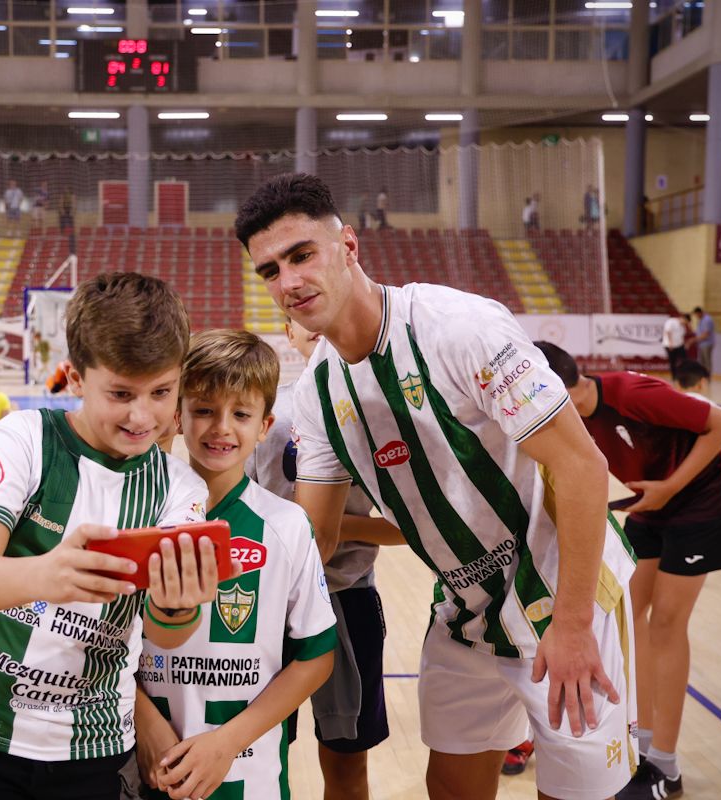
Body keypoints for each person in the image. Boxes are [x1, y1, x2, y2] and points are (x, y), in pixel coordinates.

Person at [236, 173, 637, 800]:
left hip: (563, 597)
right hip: (465, 608)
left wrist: (576, 623)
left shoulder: (458, 326)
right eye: (269, 270)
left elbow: (582, 467)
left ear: (348, 245)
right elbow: (317, 533)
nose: (287, 282)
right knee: (449, 787)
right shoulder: (316, 391)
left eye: (301, 255)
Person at [0, 271, 230, 798]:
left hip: (94, 747)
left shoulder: (180, 488)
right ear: (74, 378)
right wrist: (46, 573)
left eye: (162, 392)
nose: (143, 415)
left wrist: (180, 607)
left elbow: (165, 633)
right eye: (120, 392)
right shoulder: (23, 438)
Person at [132, 329, 337, 800]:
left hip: (249, 771)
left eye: (240, 414)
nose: (221, 427)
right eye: (203, 410)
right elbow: (104, 640)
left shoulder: (287, 526)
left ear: (265, 426)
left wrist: (227, 743)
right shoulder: (139, 516)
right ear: (178, 417)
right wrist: (146, 725)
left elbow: (315, 657)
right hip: (146, 761)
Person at [536, 342, 721, 800]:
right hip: (652, 502)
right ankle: (640, 747)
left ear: (558, 386)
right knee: (630, 616)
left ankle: (665, 766)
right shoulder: (574, 416)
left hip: (702, 501)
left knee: (668, 621)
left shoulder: (631, 392)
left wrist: (670, 487)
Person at [244, 317, 391, 798]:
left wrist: (317, 527)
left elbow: (403, 528)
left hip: (346, 598)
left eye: (328, 321)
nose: (318, 329)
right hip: (264, 603)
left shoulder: (379, 416)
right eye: (304, 324)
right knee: (259, 755)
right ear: (288, 332)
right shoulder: (261, 416)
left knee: (347, 763)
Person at [662, 310, 686, 383]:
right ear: (682, 318)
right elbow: (667, 331)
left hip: (679, 345)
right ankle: (674, 377)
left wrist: (683, 345)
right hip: (670, 345)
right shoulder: (672, 321)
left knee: (684, 359)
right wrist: (670, 343)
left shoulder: (683, 328)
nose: (685, 323)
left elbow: (681, 337)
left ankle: (682, 375)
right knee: (673, 361)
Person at [691, 307, 715, 377]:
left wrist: (694, 339)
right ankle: (702, 376)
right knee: (702, 362)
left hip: (706, 344)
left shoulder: (707, 320)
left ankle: (707, 377)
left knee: (707, 362)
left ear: (699, 313)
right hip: (701, 344)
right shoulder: (701, 320)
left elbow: (706, 334)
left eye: (696, 315)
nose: (696, 316)